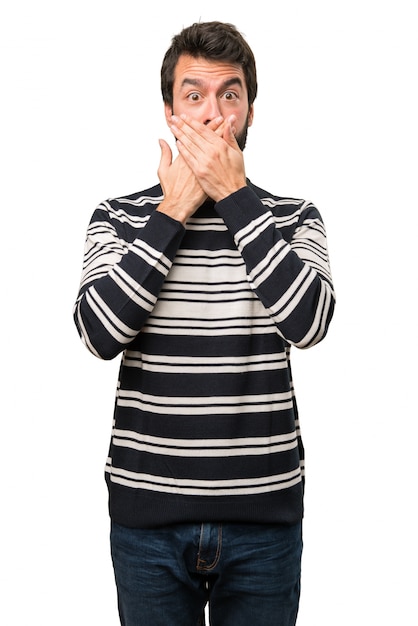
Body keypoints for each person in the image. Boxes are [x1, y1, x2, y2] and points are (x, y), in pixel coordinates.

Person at [73, 21, 335, 626]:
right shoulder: (118, 218)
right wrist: (171, 212)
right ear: (170, 112)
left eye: (230, 95)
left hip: (263, 521)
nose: (213, 115)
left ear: (249, 111)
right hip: (147, 522)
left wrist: (236, 197)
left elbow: (311, 323)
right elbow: (97, 333)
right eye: (194, 96)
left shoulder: (293, 218)